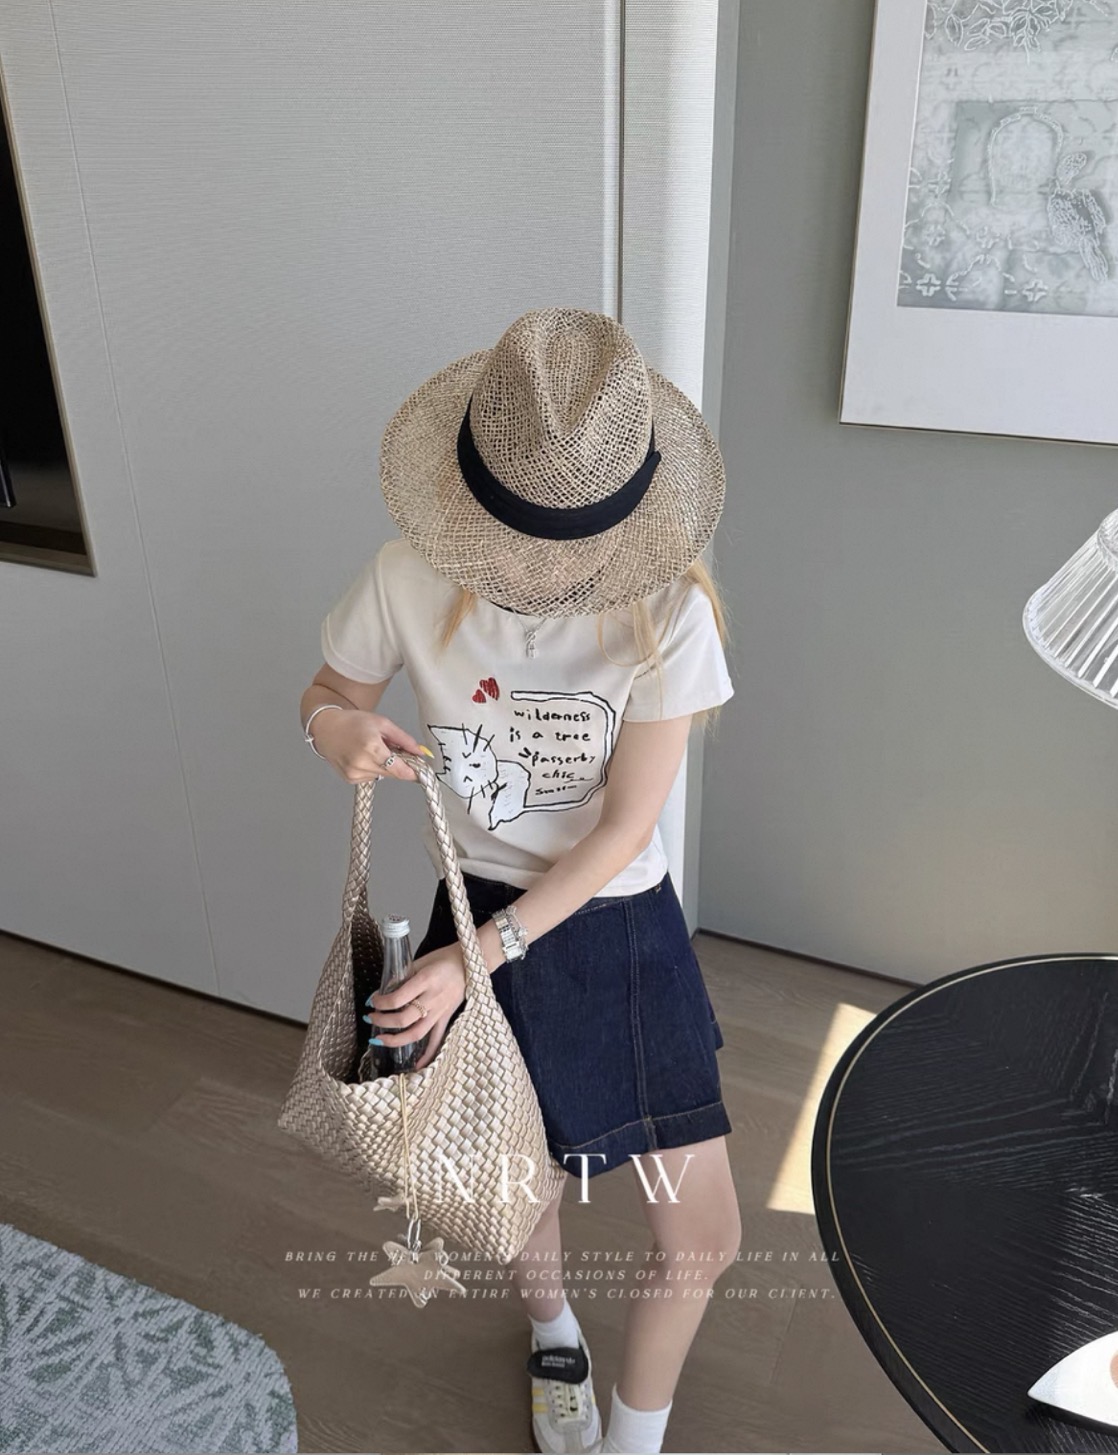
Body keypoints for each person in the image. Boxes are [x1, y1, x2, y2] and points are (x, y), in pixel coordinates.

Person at [299, 307, 741, 1455]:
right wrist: (337, 730)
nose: (540, 575)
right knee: (517, 1183)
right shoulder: (406, 576)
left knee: (700, 1232)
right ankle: (553, 1338)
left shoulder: (669, 610)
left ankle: (632, 1441)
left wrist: (473, 964)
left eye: (570, 548)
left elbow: (623, 829)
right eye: (520, 543)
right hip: (477, 905)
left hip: (613, 917)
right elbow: (327, 693)